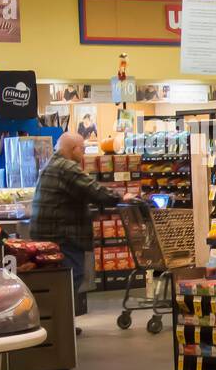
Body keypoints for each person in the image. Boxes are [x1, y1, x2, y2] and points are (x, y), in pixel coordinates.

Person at [30, 132, 136, 327]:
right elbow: (93, 190)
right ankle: (60, 324)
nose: (85, 153)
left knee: (56, 280)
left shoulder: (51, 164)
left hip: (46, 232)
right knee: (71, 276)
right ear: (74, 149)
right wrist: (121, 197)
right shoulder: (67, 167)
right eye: (84, 149)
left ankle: (59, 323)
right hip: (62, 234)